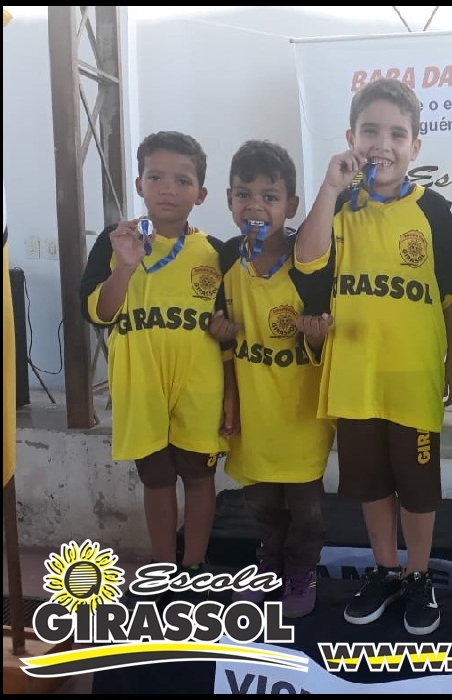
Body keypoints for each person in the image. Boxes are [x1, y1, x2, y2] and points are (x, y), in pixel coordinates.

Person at [293, 77, 452, 636]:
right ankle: (386, 570)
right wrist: (329, 187)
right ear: (351, 137)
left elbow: (450, 297)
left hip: (412, 375)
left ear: (415, 145)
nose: (382, 144)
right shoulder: (340, 205)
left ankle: (418, 575)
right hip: (355, 375)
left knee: (417, 488)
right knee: (370, 485)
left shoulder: (433, 211)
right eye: (370, 131)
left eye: (397, 134)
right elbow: (307, 260)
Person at [80, 131, 226, 607]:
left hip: (200, 385)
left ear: (200, 193)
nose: (168, 188)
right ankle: (164, 572)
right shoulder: (116, 241)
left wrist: (231, 393)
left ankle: (195, 568)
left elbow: (228, 328)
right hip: (140, 383)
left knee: (199, 478)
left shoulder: (216, 252)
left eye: (182, 180)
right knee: (157, 478)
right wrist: (125, 266)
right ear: (139, 184)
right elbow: (99, 313)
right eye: (156, 177)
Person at [208, 140, 336, 618]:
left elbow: (328, 338)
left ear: (292, 205)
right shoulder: (226, 261)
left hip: (301, 414)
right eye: (244, 194)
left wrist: (317, 337)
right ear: (229, 200)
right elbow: (221, 336)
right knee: (261, 504)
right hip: (254, 411)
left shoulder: (310, 264)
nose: (255, 206)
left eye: (270, 196)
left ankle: (301, 570)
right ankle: (268, 565)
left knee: (306, 509)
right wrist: (221, 337)